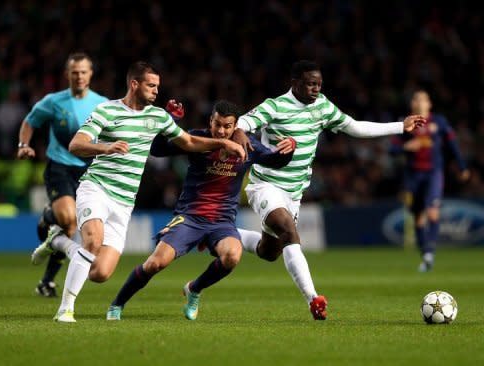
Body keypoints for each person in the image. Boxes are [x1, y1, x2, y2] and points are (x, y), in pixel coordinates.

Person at [30, 61, 246, 322]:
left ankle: (58, 240)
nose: (156, 91)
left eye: (158, 86)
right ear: (134, 84)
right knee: (92, 241)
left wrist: (222, 142)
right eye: (151, 86)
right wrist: (106, 148)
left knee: (100, 273)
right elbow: (77, 144)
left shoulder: (157, 117)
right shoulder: (106, 110)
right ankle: (65, 309)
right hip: (96, 187)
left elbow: (188, 142)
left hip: (123, 202)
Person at [231, 60, 426, 320]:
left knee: (270, 252)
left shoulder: (322, 106)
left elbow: (354, 127)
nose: (315, 88)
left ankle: (220, 232)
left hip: (294, 192)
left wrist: (400, 126)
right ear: (295, 83)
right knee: (290, 230)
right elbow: (245, 120)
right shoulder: (276, 105)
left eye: (319, 84)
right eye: (310, 83)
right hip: (266, 184)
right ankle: (314, 299)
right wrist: (241, 131)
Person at [105, 100, 295, 321]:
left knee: (232, 256)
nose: (221, 130)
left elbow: (275, 160)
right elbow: (157, 150)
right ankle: (117, 304)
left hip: (222, 221)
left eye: (227, 126)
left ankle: (195, 289)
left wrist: (289, 147)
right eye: (217, 124)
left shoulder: (247, 145)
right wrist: (173, 119)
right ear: (210, 121)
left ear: (236, 127)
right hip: (190, 217)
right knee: (156, 263)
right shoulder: (197, 139)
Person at [18, 52, 108, 297]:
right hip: (60, 166)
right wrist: (23, 145)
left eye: (83, 72)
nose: (79, 76)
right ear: (67, 74)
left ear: (90, 74)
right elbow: (29, 122)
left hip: (90, 170)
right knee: (67, 220)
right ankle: (50, 214)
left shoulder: (103, 104)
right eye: (74, 72)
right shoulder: (53, 101)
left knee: (67, 231)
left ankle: (46, 282)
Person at [390, 89, 469, 272]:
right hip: (413, 176)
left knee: (432, 212)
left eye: (423, 99)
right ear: (412, 104)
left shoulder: (439, 122)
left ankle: (430, 254)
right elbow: (392, 150)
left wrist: (462, 166)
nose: (419, 102)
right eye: (415, 99)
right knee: (418, 218)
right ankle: (425, 254)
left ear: (429, 104)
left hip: (434, 173)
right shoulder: (407, 123)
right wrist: (405, 147)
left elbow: (452, 145)